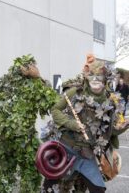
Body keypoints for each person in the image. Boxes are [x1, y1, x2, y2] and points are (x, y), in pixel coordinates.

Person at [40, 55, 129, 193]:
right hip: (65, 149)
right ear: (87, 76)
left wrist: (125, 126)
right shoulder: (74, 92)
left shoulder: (111, 101)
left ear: (106, 78)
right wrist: (72, 124)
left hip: (86, 155)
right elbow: (55, 110)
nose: (95, 79)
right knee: (49, 189)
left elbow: (112, 131)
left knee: (98, 189)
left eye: (99, 76)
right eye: (92, 75)